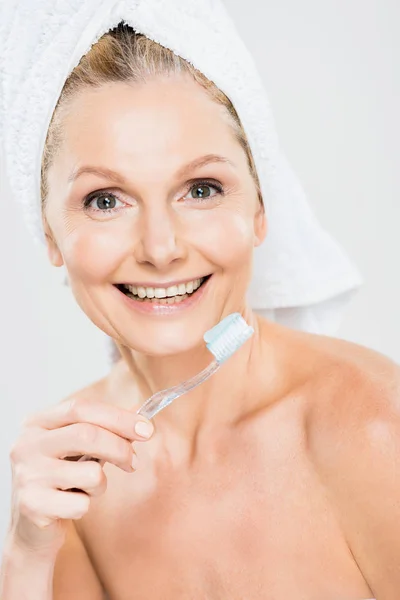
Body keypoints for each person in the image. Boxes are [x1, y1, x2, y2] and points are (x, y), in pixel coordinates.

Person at [0, 10, 397, 600]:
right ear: (50, 235)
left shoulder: (373, 430)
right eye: (106, 200)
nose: (161, 249)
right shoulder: (74, 480)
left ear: (261, 209)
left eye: (202, 190)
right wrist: (26, 558)